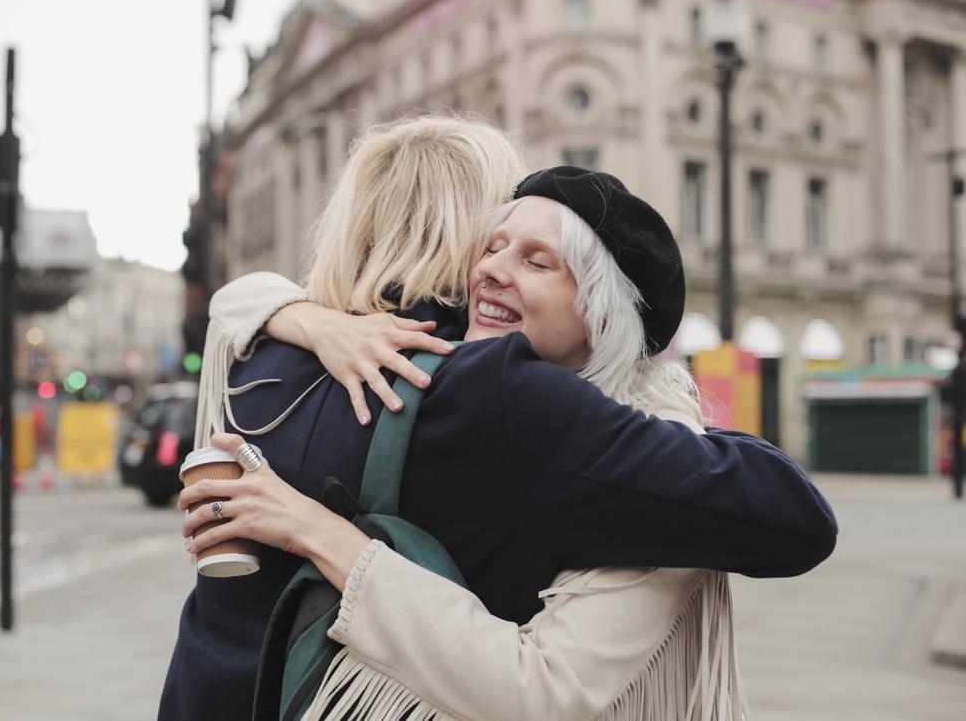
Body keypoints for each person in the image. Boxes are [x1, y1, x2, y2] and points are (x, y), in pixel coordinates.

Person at [158, 118, 836, 721]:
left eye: (536, 254)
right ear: (469, 233)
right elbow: (787, 513)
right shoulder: (495, 390)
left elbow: (233, 302)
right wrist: (666, 414)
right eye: (497, 238)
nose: (498, 267)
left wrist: (298, 314)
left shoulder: (256, 358)